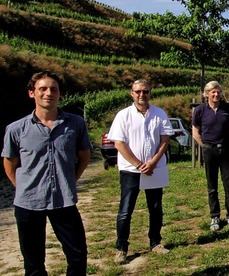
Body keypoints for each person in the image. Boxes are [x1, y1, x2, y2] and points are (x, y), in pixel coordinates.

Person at [2, 71, 91, 275]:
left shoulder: (75, 124)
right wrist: (23, 187)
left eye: (54, 89)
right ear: (31, 93)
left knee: (77, 256)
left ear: (60, 94)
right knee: (33, 263)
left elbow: (84, 156)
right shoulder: (16, 129)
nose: (48, 93)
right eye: (42, 88)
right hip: (28, 204)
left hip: (64, 200)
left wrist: (69, 181)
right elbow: (9, 163)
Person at [108, 79, 174, 264]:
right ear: (132, 93)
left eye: (145, 91)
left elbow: (164, 140)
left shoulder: (159, 114)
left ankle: (155, 242)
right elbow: (119, 143)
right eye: (138, 91)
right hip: (131, 170)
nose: (141, 95)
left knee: (155, 208)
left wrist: (152, 162)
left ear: (150, 93)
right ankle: (121, 247)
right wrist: (138, 164)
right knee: (125, 210)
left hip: (155, 169)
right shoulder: (123, 115)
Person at [192, 81, 229, 231]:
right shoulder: (200, 110)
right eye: (213, 92)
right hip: (209, 150)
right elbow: (195, 132)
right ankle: (215, 217)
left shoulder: (227, 108)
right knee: (212, 186)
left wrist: (223, 142)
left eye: (218, 91)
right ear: (206, 94)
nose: (216, 94)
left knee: (228, 184)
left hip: (225, 150)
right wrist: (205, 146)